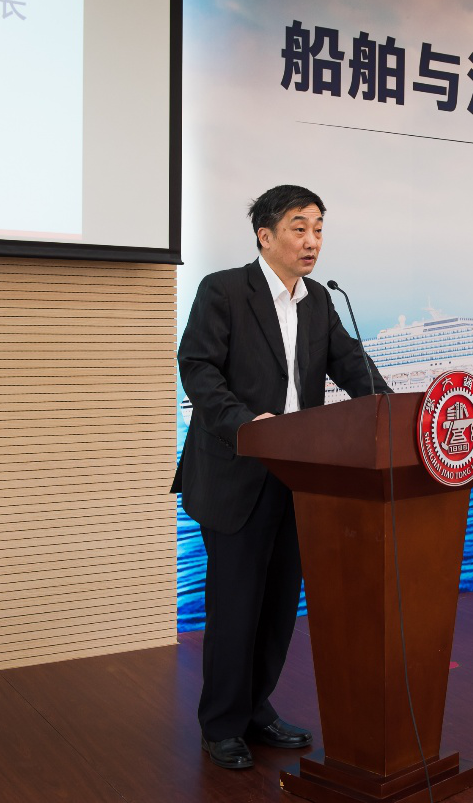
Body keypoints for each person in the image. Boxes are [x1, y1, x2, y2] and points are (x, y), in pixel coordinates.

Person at [172, 185, 389, 770]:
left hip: (300, 476)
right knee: (235, 605)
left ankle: (255, 708)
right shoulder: (223, 290)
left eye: (318, 228)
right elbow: (197, 368)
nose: (312, 241)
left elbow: (351, 365)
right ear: (264, 236)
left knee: (277, 605)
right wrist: (247, 424)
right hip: (236, 470)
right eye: (299, 228)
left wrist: (394, 411)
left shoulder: (319, 301)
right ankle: (221, 724)